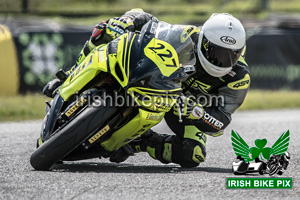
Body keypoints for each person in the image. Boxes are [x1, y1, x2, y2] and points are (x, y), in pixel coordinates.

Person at [43, 9, 250, 168]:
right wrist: (130, 20)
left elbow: (221, 119)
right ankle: (70, 75)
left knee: (193, 153)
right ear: (204, 41)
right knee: (107, 29)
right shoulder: (188, 36)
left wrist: (198, 112)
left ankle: (141, 141)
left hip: (184, 110)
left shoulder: (239, 78)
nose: (222, 61)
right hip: (157, 84)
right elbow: (153, 25)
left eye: (231, 55)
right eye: (216, 52)